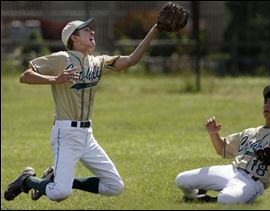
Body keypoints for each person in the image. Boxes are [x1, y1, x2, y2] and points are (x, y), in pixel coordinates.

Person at [4, 18, 159, 202]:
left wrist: (155, 29)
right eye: (86, 30)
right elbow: (25, 76)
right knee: (59, 193)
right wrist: (55, 79)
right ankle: (28, 181)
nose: (92, 32)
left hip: (87, 135)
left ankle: (58, 179)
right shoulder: (62, 58)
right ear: (74, 38)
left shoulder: (98, 62)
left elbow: (132, 60)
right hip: (66, 134)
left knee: (114, 186)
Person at [175, 85, 270, 204]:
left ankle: (216, 200)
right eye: (265, 102)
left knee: (226, 200)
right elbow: (221, 148)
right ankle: (195, 195)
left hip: (252, 182)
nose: (267, 105)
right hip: (231, 171)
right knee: (181, 180)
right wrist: (214, 134)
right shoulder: (250, 132)